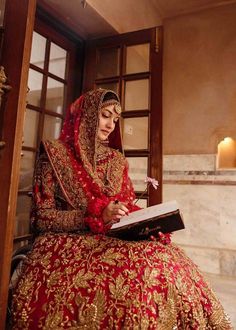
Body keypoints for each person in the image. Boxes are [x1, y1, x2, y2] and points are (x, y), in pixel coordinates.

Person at [12, 88, 232, 329]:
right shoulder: (55, 154)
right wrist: (92, 216)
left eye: (115, 119)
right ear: (86, 115)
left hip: (110, 236)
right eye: (105, 115)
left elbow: (124, 206)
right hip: (68, 238)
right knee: (138, 272)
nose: (111, 125)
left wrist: (146, 225)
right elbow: (41, 219)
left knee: (164, 257)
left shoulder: (116, 160)